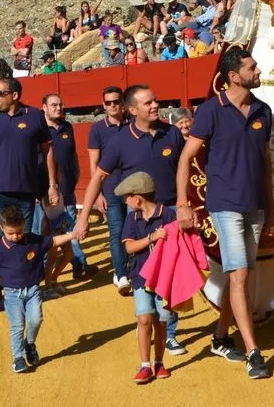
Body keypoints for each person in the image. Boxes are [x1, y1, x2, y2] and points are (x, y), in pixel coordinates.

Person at [175, 48, 274, 379]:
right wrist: (182, 203)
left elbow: (265, 164)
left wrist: (270, 209)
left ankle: (220, 335)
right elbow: (186, 157)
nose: (258, 70)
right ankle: (253, 352)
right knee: (240, 276)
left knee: (241, 277)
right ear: (234, 76)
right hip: (225, 205)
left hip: (255, 206)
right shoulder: (210, 111)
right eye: (252, 67)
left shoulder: (263, 110)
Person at [75, 84, 186, 354]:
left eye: (155, 100)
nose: (155, 105)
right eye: (148, 103)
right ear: (133, 110)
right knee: (146, 270)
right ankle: (150, 320)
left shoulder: (171, 133)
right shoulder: (119, 142)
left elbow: (186, 167)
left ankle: (168, 332)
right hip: (139, 217)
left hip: (169, 212)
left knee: (170, 273)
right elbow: (98, 177)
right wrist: (83, 217)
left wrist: (186, 204)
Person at [0, 78, 59, 314]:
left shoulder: (35, 116)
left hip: (26, 192)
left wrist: (52, 184)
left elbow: (48, 152)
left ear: (14, 95)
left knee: (22, 241)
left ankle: (24, 289)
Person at [0, 206, 75, 373]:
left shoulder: (32, 240)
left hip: (33, 290)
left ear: (24, 226)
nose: (15, 236)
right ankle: (18, 358)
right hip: (12, 294)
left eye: (19, 232)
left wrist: (73, 235)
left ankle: (29, 344)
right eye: (11, 233)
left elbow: (53, 241)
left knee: (36, 320)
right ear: (1, 228)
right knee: (17, 326)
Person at [117, 172, 175, 383]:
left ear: (138, 197)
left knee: (160, 321)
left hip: (164, 276)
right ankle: (144, 365)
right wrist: (151, 237)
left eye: (128, 196)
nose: (126, 200)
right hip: (141, 275)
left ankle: (158, 363)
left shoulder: (168, 215)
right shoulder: (132, 218)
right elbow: (130, 246)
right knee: (144, 319)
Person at [41, 94, 96, 280]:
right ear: (44, 108)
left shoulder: (67, 127)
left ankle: (78, 264)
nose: (58, 108)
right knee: (45, 231)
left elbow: (72, 155)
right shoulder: (40, 129)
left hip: (67, 189)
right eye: (53, 105)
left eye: (60, 105)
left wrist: (75, 176)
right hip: (46, 191)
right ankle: (44, 270)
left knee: (69, 229)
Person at [84, 86, 130, 294]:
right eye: (108, 103)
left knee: (134, 230)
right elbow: (94, 163)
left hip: (134, 189)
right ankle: (121, 273)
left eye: (116, 101)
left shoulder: (134, 124)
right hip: (110, 189)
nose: (112, 106)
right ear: (103, 106)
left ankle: (129, 269)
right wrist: (98, 193)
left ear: (123, 103)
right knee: (116, 232)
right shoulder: (97, 129)